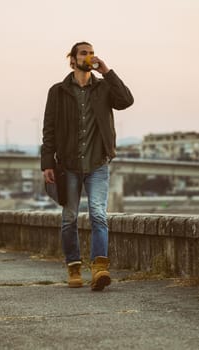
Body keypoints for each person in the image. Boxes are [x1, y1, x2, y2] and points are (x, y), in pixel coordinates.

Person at [41, 41, 134, 291]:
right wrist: (47, 162)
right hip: (68, 165)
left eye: (91, 52)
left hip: (97, 164)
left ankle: (99, 269)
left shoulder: (104, 88)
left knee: (99, 215)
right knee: (69, 218)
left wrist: (107, 71)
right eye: (84, 52)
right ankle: (73, 267)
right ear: (72, 59)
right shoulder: (58, 91)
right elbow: (49, 129)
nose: (89, 56)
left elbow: (126, 100)